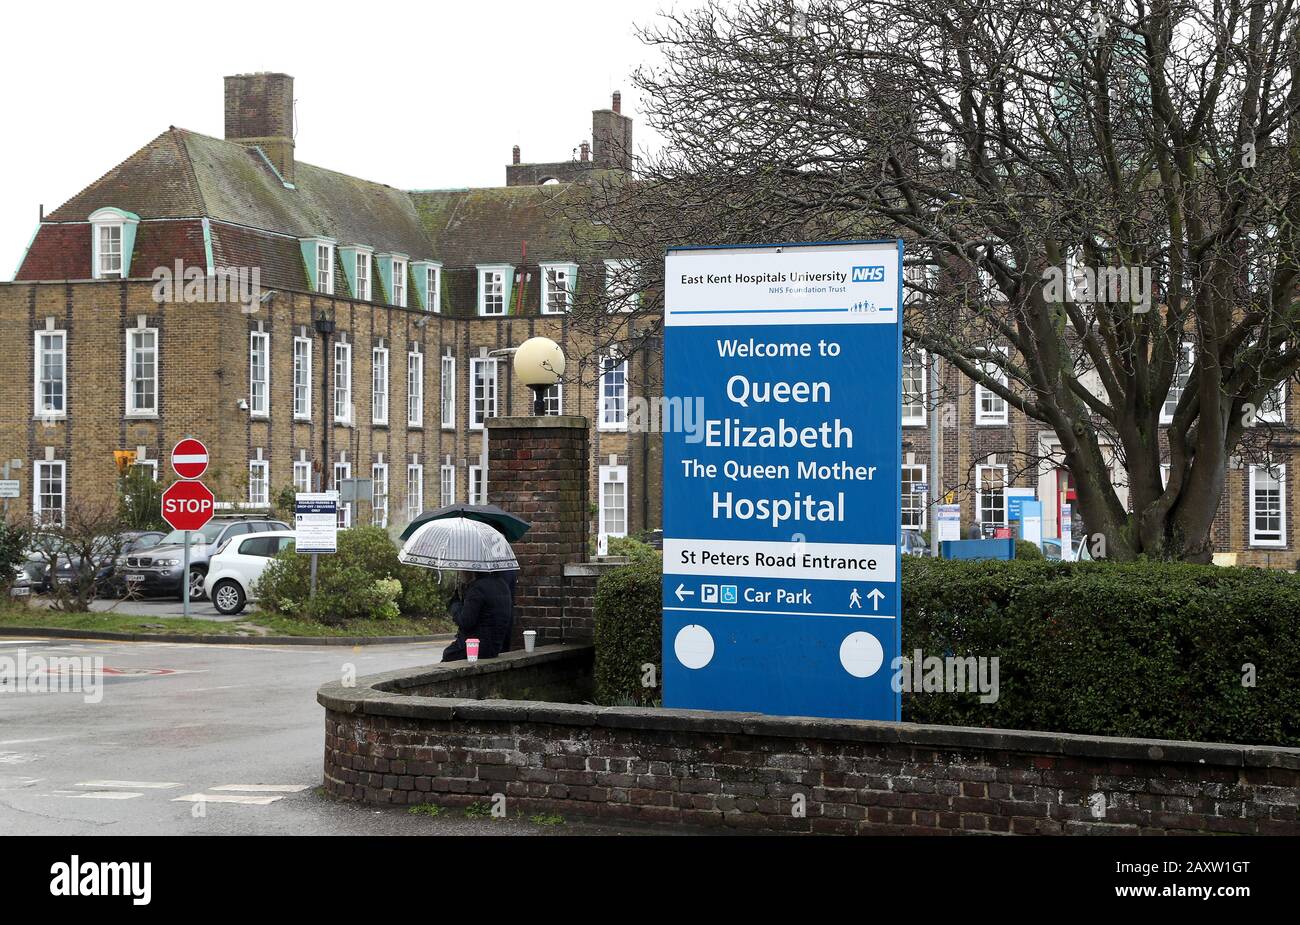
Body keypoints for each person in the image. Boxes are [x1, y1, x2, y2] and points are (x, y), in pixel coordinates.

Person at [440, 570, 513, 662]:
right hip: (496, 647)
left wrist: (455, 604)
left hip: (477, 647)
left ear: (470, 570)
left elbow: (465, 621)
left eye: (462, 569)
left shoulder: (477, 588)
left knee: (448, 655)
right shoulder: (502, 584)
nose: (461, 572)